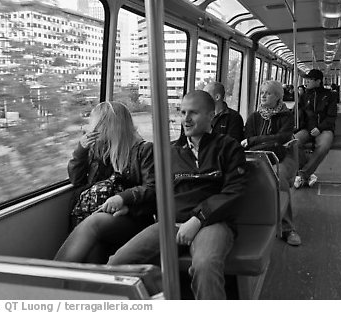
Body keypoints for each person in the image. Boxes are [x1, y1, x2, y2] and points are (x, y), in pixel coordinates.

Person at [106, 90, 248, 300]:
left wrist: (198, 219)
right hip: (171, 222)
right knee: (118, 263)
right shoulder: (170, 152)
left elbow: (234, 192)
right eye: (182, 113)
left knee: (205, 266)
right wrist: (130, 204)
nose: (186, 119)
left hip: (213, 223)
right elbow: (158, 191)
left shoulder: (228, 148)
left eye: (193, 113)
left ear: (211, 115)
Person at [55, 101, 156, 264]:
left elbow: (152, 189)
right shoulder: (100, 151)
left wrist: (123, 199)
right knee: (94, 246)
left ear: (110, 127)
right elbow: (77, 180)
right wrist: (81, 150)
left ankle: (52, 277)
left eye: (97, 126)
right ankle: (92, 286)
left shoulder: (144, 151)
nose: (92, 131)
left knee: (94, 222)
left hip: (133, 215)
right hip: (102, 213)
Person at [242, 80, 301, 246]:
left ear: (278, 97)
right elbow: (249, 140)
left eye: (268, 93)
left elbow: (282, 138)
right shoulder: (254, 117)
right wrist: (268, 142)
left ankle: (288, 228)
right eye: (262, 92)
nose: (263, 95)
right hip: (258, 156)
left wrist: (256, 140)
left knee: (277, 176)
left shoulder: (286, 116)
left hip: (283, 157)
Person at [294, 69, 337, 188]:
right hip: (307, 129)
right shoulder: (303, 96)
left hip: (325, 129)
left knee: (324, 145)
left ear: (318, 81)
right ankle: (308, 172)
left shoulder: (330, 95)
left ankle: (303, 174)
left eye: (310, 79)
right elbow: (298, 114)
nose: (306, 82)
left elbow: (331, 116)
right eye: (305, 79)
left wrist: (319, 128)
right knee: (294, 142)